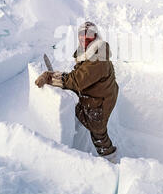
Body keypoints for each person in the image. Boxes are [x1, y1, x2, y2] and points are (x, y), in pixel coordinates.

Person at [35, 21, 119, 163]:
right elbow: (80, 74)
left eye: (88, 35)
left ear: (95, 36)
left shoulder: (98, 58)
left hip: (102, 100)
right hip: (100, 93)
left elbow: (77, 81)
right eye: (81, 35)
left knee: (98, 131)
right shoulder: (89, 51)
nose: (83, 38)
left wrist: (51, 77)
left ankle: (112, 162)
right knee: (79, 113)